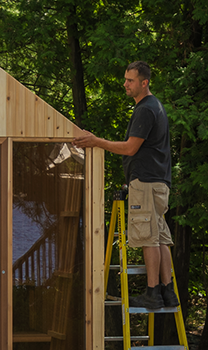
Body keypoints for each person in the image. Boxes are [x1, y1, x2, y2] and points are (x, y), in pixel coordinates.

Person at [72, 61, 177, 309]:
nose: (125, 84)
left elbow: (130, 148)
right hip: (157, 182)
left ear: (144, 82)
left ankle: (152, 293)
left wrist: (96, 141)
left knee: (148, 237)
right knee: (160, 237)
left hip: (147, 183)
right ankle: (167, 291)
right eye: (125, 79)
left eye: (130, 80)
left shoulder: (146, 109)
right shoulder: (155, 106)